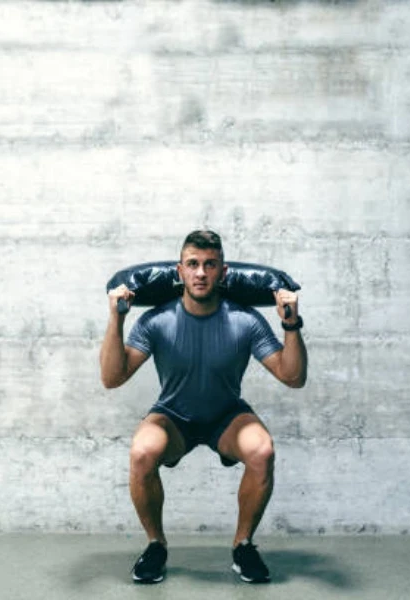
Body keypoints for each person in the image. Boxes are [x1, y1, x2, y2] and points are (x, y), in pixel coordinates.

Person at [99, 230, 308, 584]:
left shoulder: (245, 320)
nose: (200, 273)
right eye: (193, 264)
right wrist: (116, 319)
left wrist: (290, 324)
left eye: (210, 265)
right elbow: (112, 378)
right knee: (141, 452)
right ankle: (155, 546)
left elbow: (293, 377)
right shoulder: (156, 321)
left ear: (223, 272)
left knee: (262, 450)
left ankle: (243, 546)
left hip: (227, 418)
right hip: (173, 417)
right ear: (179, 271)